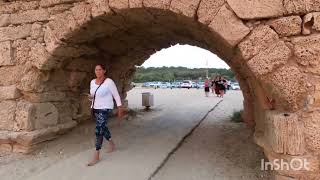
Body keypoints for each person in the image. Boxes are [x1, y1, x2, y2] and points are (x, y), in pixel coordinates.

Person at [87, 64, 124, 166]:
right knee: (103, 128)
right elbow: (93, 96)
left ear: (104, 71)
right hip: (95, 108)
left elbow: (116, 95)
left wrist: (120, 107)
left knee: (98, 130)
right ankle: (112, 143)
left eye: (100, 70)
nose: (97, 71)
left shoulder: (109, 82)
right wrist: (90, 98)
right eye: (96, 70)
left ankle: (96, 155)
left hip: (105, 108)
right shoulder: (92, 82)